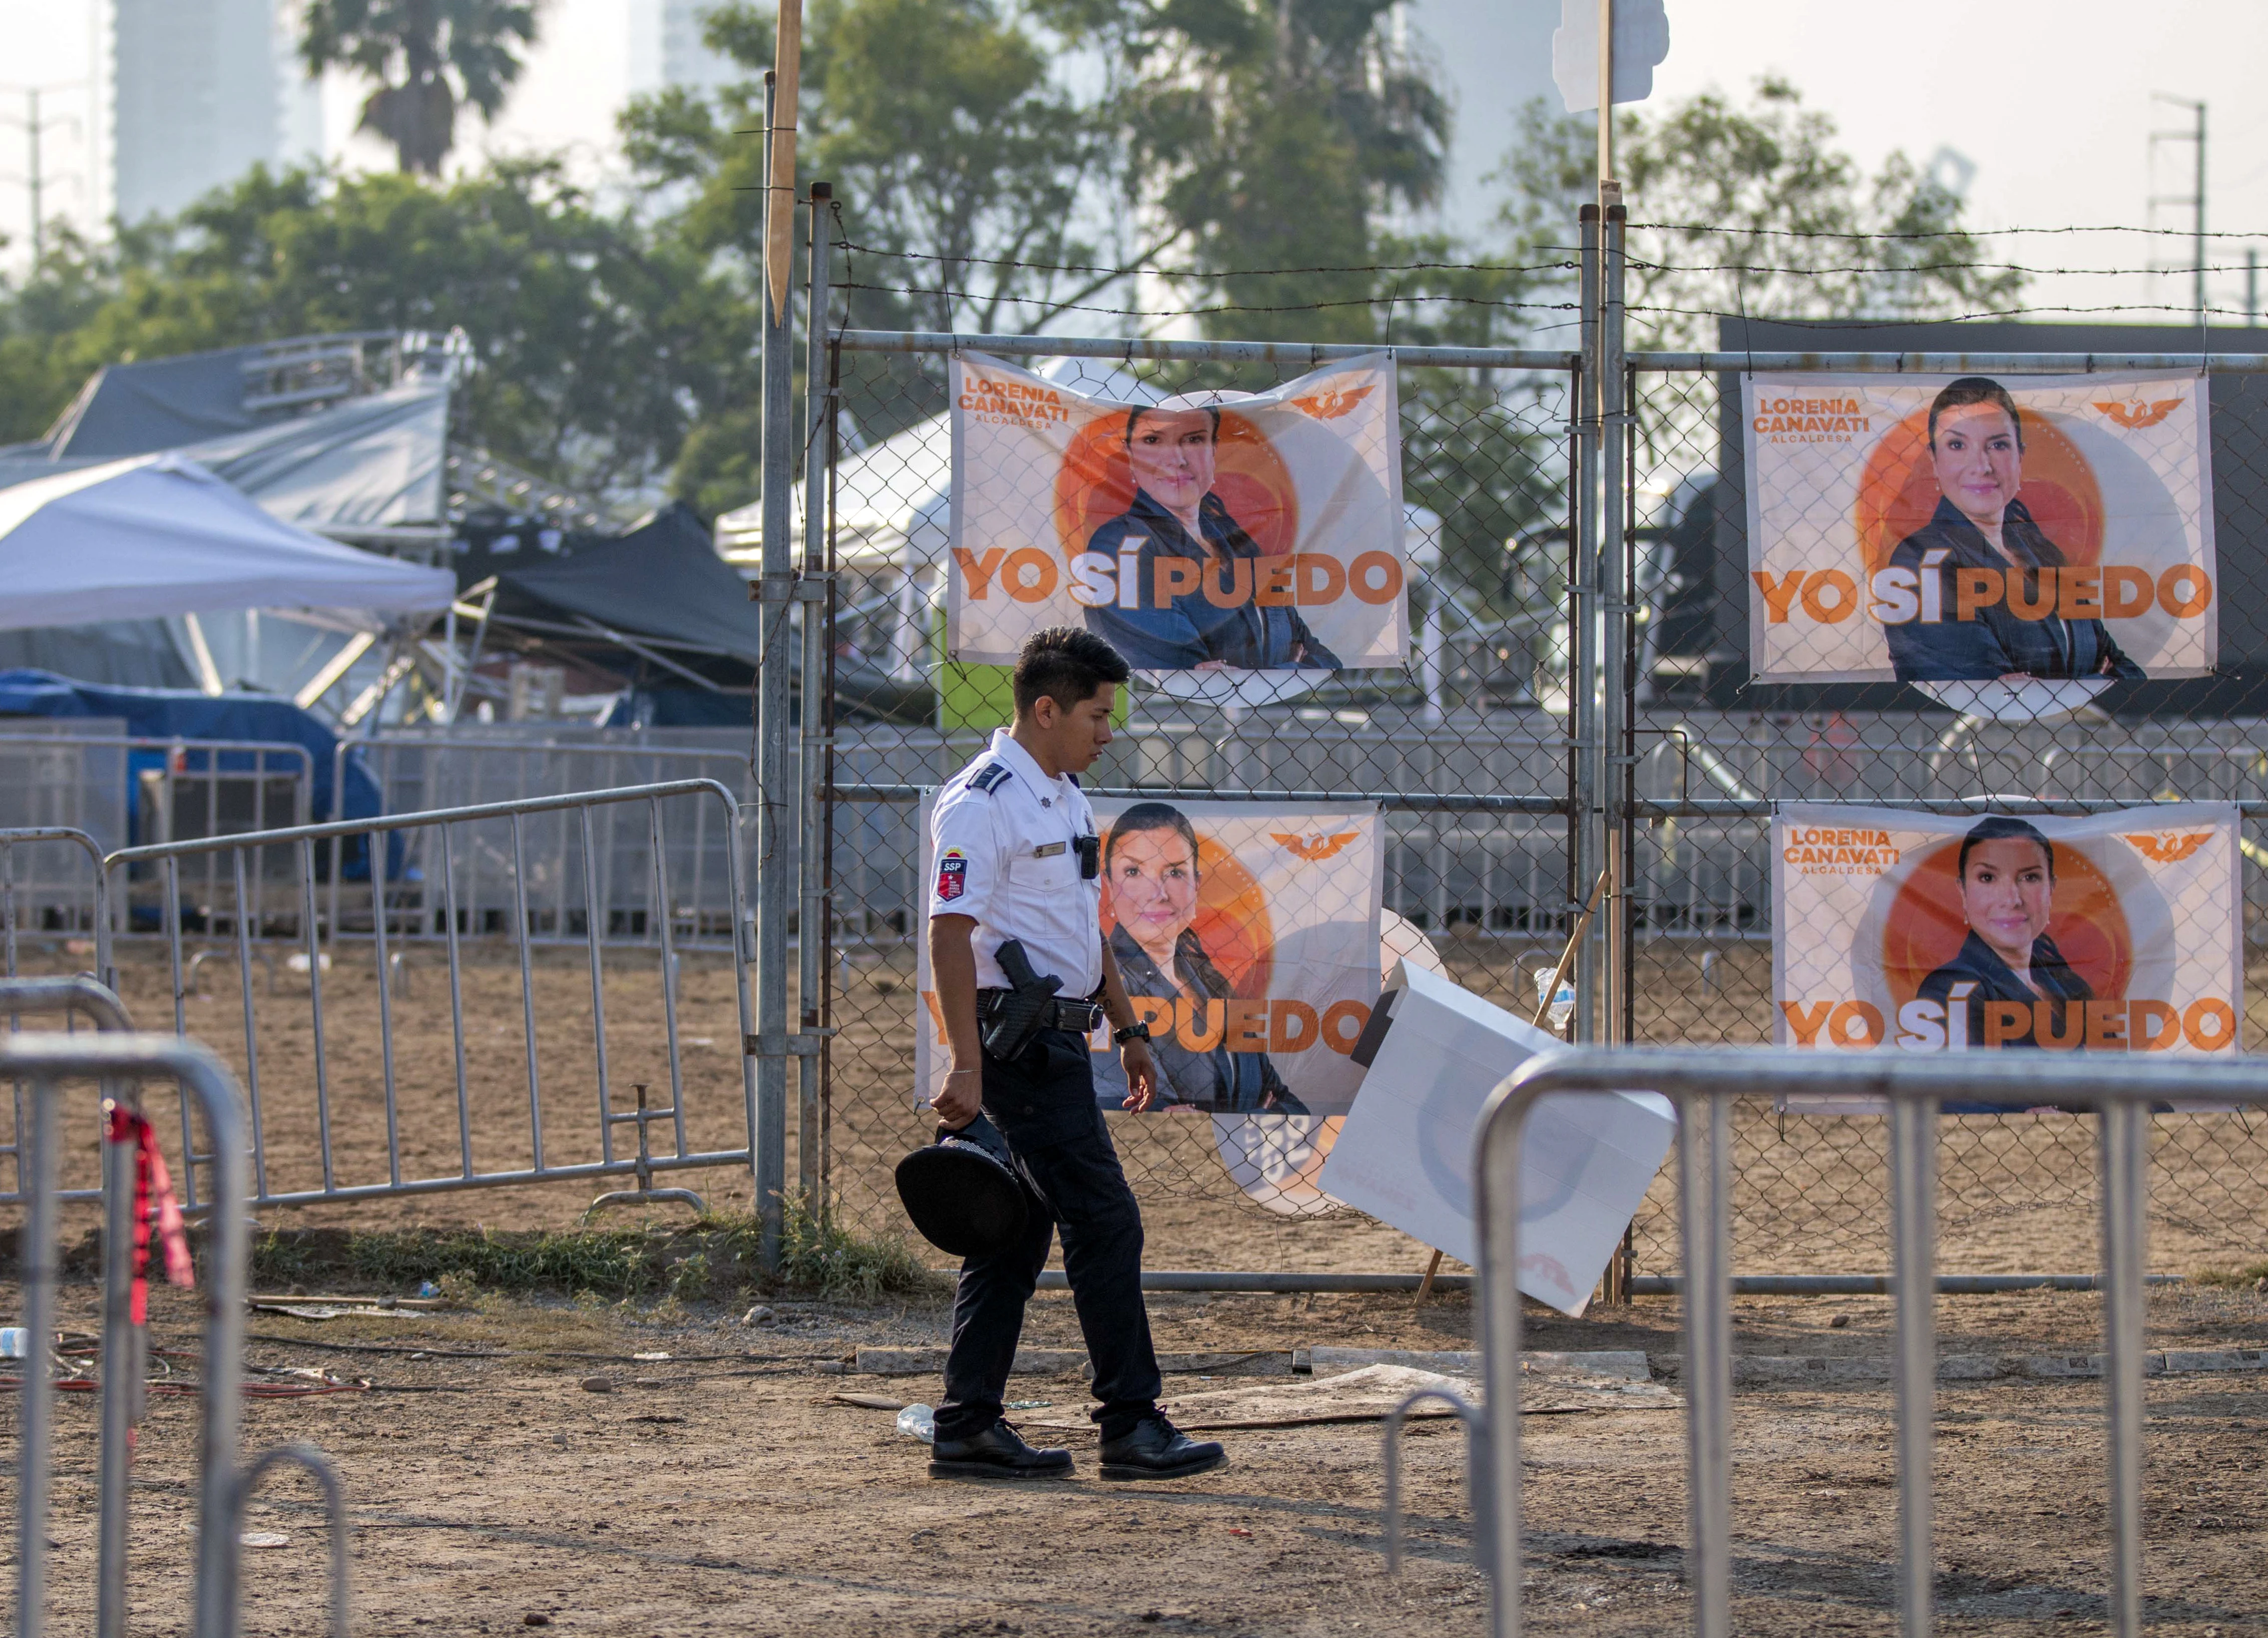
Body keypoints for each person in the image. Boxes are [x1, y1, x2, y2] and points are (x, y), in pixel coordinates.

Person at [924, 626, 1229, 1483]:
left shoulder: (1062, 795)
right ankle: (1130, 1422)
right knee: (1105, 1220)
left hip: (1057, 1038)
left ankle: (967, 1423)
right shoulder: (980, 800)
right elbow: (949, 936)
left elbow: (1084, 925)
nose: (1109, 731)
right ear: (1046, 708)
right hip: (1011, 1043)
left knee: (1015, 1233)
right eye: (1098, 714)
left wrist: (1128, 1029)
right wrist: (965, 1065)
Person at [1885, 377, 2145, 685]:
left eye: (1998, 445)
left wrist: (2048, 685)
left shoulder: (2042, 550)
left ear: (2020, 456)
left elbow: (2125, 671)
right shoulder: (1920, 559)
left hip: (2077, 730)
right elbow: (1989, 689)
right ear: (1934, 460)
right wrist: (2090, 681)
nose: (1981, 466)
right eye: (1957, 445)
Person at [1082, 399, 1342, 671]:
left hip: (1275, 711)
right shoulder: (1119, 544)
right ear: (1130, 456)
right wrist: (1290, 666)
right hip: (1179, 714)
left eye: (1194, 440)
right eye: (1153, 440)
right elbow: (1187, 671)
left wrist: (1261, 673)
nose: (1177, 460)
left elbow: (1325, 659)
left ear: (1214, 450)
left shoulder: (1239, 541)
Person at [1101, 801, 1310, 1115]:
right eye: (1133, 871)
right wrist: (1255, 1116)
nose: (1158, 892)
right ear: (1108, 884)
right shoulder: (1103, 983)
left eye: (1174, 872)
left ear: (1196, 884)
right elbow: (1145, 1111)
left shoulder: (1211, 981)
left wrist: (1234, 1119)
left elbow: (1290, 1105)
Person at [1916, 815, 2094, 1054]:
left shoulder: (2063, 981)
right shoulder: (1951, 988)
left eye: (2030, 877)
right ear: (1963, 891)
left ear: (2051, 889)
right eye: (1987, 878)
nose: (2012, 900)